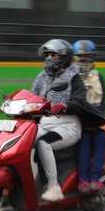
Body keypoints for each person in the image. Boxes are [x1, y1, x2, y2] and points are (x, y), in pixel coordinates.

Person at [31, 39, 88, 201]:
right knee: (22, 139)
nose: (49, 58)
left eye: (54, 55)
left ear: (64, 57)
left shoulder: (73, 77)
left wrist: (64, 105)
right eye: (47, 55)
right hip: (45, 123)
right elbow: (32, 97)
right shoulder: (41, 77)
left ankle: (54, 187)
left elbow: (81, 102)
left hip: (67, 126)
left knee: (44, 142)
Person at [73, 40, 105, 197]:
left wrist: (95, 119)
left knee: (100, 137)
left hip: (95, 120)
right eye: (80, 58)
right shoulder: (72, 79)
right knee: (83, 141)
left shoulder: (99, 78)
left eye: (87, 57)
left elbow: (103, 104)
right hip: (78, 121)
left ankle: (96, 180)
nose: (84, 61)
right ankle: (83, 180)